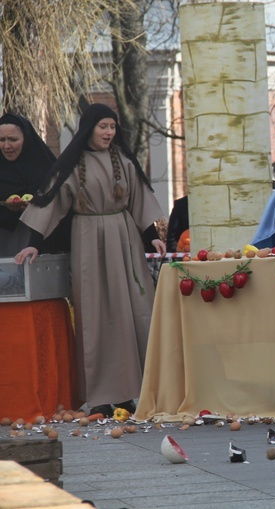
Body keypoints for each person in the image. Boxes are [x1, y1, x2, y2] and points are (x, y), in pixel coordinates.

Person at [14, 103, 166, 418]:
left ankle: (130, 393)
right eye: (103, 127)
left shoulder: (123, 161)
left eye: (113, 127)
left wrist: (151, 235)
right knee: (95, 318)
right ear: (89, 130)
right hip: (89, 243)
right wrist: (34, 245)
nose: (109, 132)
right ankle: (99, 395)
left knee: (133, 313)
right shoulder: (72, 166)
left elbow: (139, 201)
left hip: (124, 242)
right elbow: (51, 204)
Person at [0, 113, 71, 257]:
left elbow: (60, 205)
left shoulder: (46, 169)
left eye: (13, 139)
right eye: (1, 140)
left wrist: (37, 205)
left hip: (39, 242)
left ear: (26, 139)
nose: (6, 146)